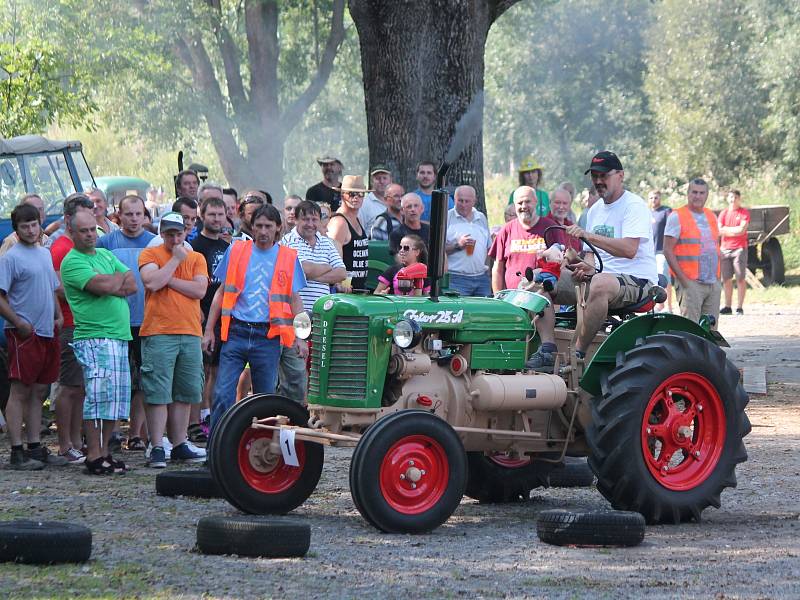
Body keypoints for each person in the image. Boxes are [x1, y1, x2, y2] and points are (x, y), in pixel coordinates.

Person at [526, 151, 657, 372]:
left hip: (639, 282)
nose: (598, 181)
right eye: (595, 175)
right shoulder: (595, 210)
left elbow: (629, 249)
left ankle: (577, 354)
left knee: (600, 283)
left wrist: (588, 236)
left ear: (620, 175)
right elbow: (590, 257)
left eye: (604, 175)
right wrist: (582, 266)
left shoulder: (634, 205)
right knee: (541, 280)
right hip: (601, 278)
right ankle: (547, 349)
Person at [203, 205, 307, 429]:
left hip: (267, 337)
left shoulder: (288, 257)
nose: (263, 231)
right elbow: (221, 292)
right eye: (258, 225)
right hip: (236, 332)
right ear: (252, 227)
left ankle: (257, 451)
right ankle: (216, 449)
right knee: (222, 394)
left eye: (268, 226)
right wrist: (209, 330)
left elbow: (295, 300)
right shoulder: (237, 250)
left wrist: (301, 336)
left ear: (278, 227)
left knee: (265, 400)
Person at [61, 210, 137, 475]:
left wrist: (111, 283)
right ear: (71, 232)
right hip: (94, 337)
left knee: (115, 397)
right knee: (97, 396)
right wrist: (113, 284)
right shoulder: (72, 262)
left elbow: (132, 284)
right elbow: (102, 285)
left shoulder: (104, 255)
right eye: (84, 231)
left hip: (118, 335)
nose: (91, 235)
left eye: (93, 229)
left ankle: (105, 451)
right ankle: (93, 454)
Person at [138, 211, 208, 468]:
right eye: (169, 233)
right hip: (158, 331)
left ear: (186, 232)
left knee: (185, 391)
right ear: (161, 234)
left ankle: (179, 443)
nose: (174, 238)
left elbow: (199, 290)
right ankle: (157, 445)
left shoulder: (197, 257)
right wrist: (173, 263)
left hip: (189, 332)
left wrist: (169, 280)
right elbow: (152, 282)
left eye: (178, 233)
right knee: (158, 391)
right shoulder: (150, 254)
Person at [0, 204, 64, 470]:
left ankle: (35, 446)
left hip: (47, 330)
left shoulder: (44, 254)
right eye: (24, 226)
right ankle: (16, 450)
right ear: (17, 229)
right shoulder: (10, 257)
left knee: (39, 390)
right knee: (20, 390)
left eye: (33, 224)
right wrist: (17, 321)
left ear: (40, 225)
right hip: (23, 333)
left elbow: (51, 288)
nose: (29, 230)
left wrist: (59, 315)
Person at [97, 195, 157, 451]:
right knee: (117, 378)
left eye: (138, 214)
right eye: (128, 214)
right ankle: (111, 433)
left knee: (146, 379)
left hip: (148, 319)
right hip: (116, 321)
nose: (134, 219)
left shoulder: (155, 242)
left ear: (145, 215)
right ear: (118, 215)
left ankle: (137, 433)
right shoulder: (106, 242)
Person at [280, 200, 346, 402]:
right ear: (297, 219)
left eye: (314, 219)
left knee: (318, 363)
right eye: (305, 219)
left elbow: (341, 273)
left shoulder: (326, 242)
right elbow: (299, 271)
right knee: (298, 365)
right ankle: (297, 408)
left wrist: (310, 273)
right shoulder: (287, 242)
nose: (310, 223)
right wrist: (324, 267)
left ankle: (314, 405)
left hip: (321, 314)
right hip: (296, 313)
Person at [50, 194, 95, 462]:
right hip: (70, 324)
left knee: (80, 387)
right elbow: (59, 289)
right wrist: (96, 289)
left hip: (85, 324)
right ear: (69, 220)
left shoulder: (83, 248)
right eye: (82, 219)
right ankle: (65, 444)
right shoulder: (60, 249)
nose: (89, 226)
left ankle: (77, 440)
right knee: (68, 386)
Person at [190, 196, 230, 438]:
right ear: (202, 216)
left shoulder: (228, 248)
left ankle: (210, 417)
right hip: (201, 315)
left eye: (220, 214)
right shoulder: (195, 246)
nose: (216, 219)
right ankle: (196, 420)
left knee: (217, 370)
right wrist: (198, 308)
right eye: (211, 214)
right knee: (201, 370)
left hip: (224, 317)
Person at [662, 179, 721, 325]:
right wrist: (683, 281)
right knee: (691, 330)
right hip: (690, 283)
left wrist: (718, 280)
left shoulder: (711, 216)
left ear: (707, 195)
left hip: (712, 282)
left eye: (702, 193)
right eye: (694, 192)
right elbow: (667, 250)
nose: (698, 196)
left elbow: (714, 247)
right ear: (688, 194)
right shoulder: (677, 216)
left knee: (711, 331)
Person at [490, 186, 557, 292]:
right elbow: (498, 268)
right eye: (520, 203)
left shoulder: (550, 228)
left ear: (536, 202)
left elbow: (561, 263)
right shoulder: (506, 230)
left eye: (527, 201)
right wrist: (498, 298)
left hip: (542, 297)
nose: (524, 206)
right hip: (512, 299)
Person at [445, 185, 491, 296]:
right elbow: (437, 251)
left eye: (467, 201)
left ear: (474, 201)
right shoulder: (447, 217)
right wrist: (458, 245)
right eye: (460, 201)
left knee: (483, 313)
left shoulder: (481, 217)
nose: (464, 205)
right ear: (454, 199)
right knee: (460, 312)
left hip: (482, 278)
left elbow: (488, 247)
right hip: (456, 278)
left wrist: (489, 272)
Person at [327, 175, 370, 291]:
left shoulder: (357, 219)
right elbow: (332, 256)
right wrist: (339, 283)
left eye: (360, 194)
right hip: (345, 291)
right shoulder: (339, 222)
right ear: (342, 195)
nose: (356, 197)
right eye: (351, 194)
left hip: (359, 290)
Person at [718, 190, 751, 315]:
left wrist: (726, 229)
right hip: (725, 249)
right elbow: (719, 230)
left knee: (740, 278)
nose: (733, 200)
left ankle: (739, 307)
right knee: (726, 279)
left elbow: (742, 230)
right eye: (731, 197)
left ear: (739, 199)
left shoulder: (743, 213)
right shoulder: (724, 213)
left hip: (739, 248)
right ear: (728, 199)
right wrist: (734, 231)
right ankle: (727, 306)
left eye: (735, 197)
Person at [649, 189, 674, 312]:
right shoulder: (647, 213)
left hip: (662, 251)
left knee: (664, 277)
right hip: (649, 252)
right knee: (652, 279)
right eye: (651, 198)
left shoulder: (666, 211)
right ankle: (656, 305)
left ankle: (667, 306)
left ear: (660, 198)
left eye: (656, 197)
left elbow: (673, 227)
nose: (653, 200)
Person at [359, 165, 393, 234]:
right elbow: (359, 231)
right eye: (378, 178)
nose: (381, 181)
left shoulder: (397, 202)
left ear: (391, 181)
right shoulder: (364, 203)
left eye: (385, 178)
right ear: (371, 181)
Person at [548, 187, 582, 254]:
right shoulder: (544, 225)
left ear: (570, 205)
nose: (561, 207)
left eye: (565, 203)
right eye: (557, 203)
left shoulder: (572, 227)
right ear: (550, 203)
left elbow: (580, 251)